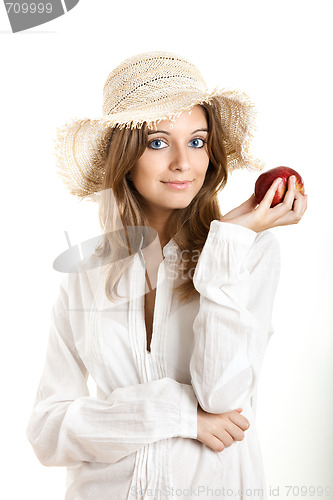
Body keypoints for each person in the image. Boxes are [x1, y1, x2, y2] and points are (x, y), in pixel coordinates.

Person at [26, 51, 307, 500]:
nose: (183, 163)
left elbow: (221, 397)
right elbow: (47, 431)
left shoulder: (249, 253)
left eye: (197, 141)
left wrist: (226, 246)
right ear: (124, 158)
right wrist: (176, 413)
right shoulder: (84, 274)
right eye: (158, 142)